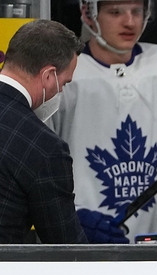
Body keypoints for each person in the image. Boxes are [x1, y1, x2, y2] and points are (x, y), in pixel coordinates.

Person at [50, 0, 157, 244]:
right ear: (89, 15)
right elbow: (38, 170)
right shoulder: (63, 77)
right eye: (116, 12)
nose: (130, 22)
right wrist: (70, 219)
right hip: (81, 258)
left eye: (137, 11)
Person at [0, 20, 87, 244]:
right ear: (49, 76)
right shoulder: (43, 147)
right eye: (65, 83)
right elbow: (68, 251)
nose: (61, 91)